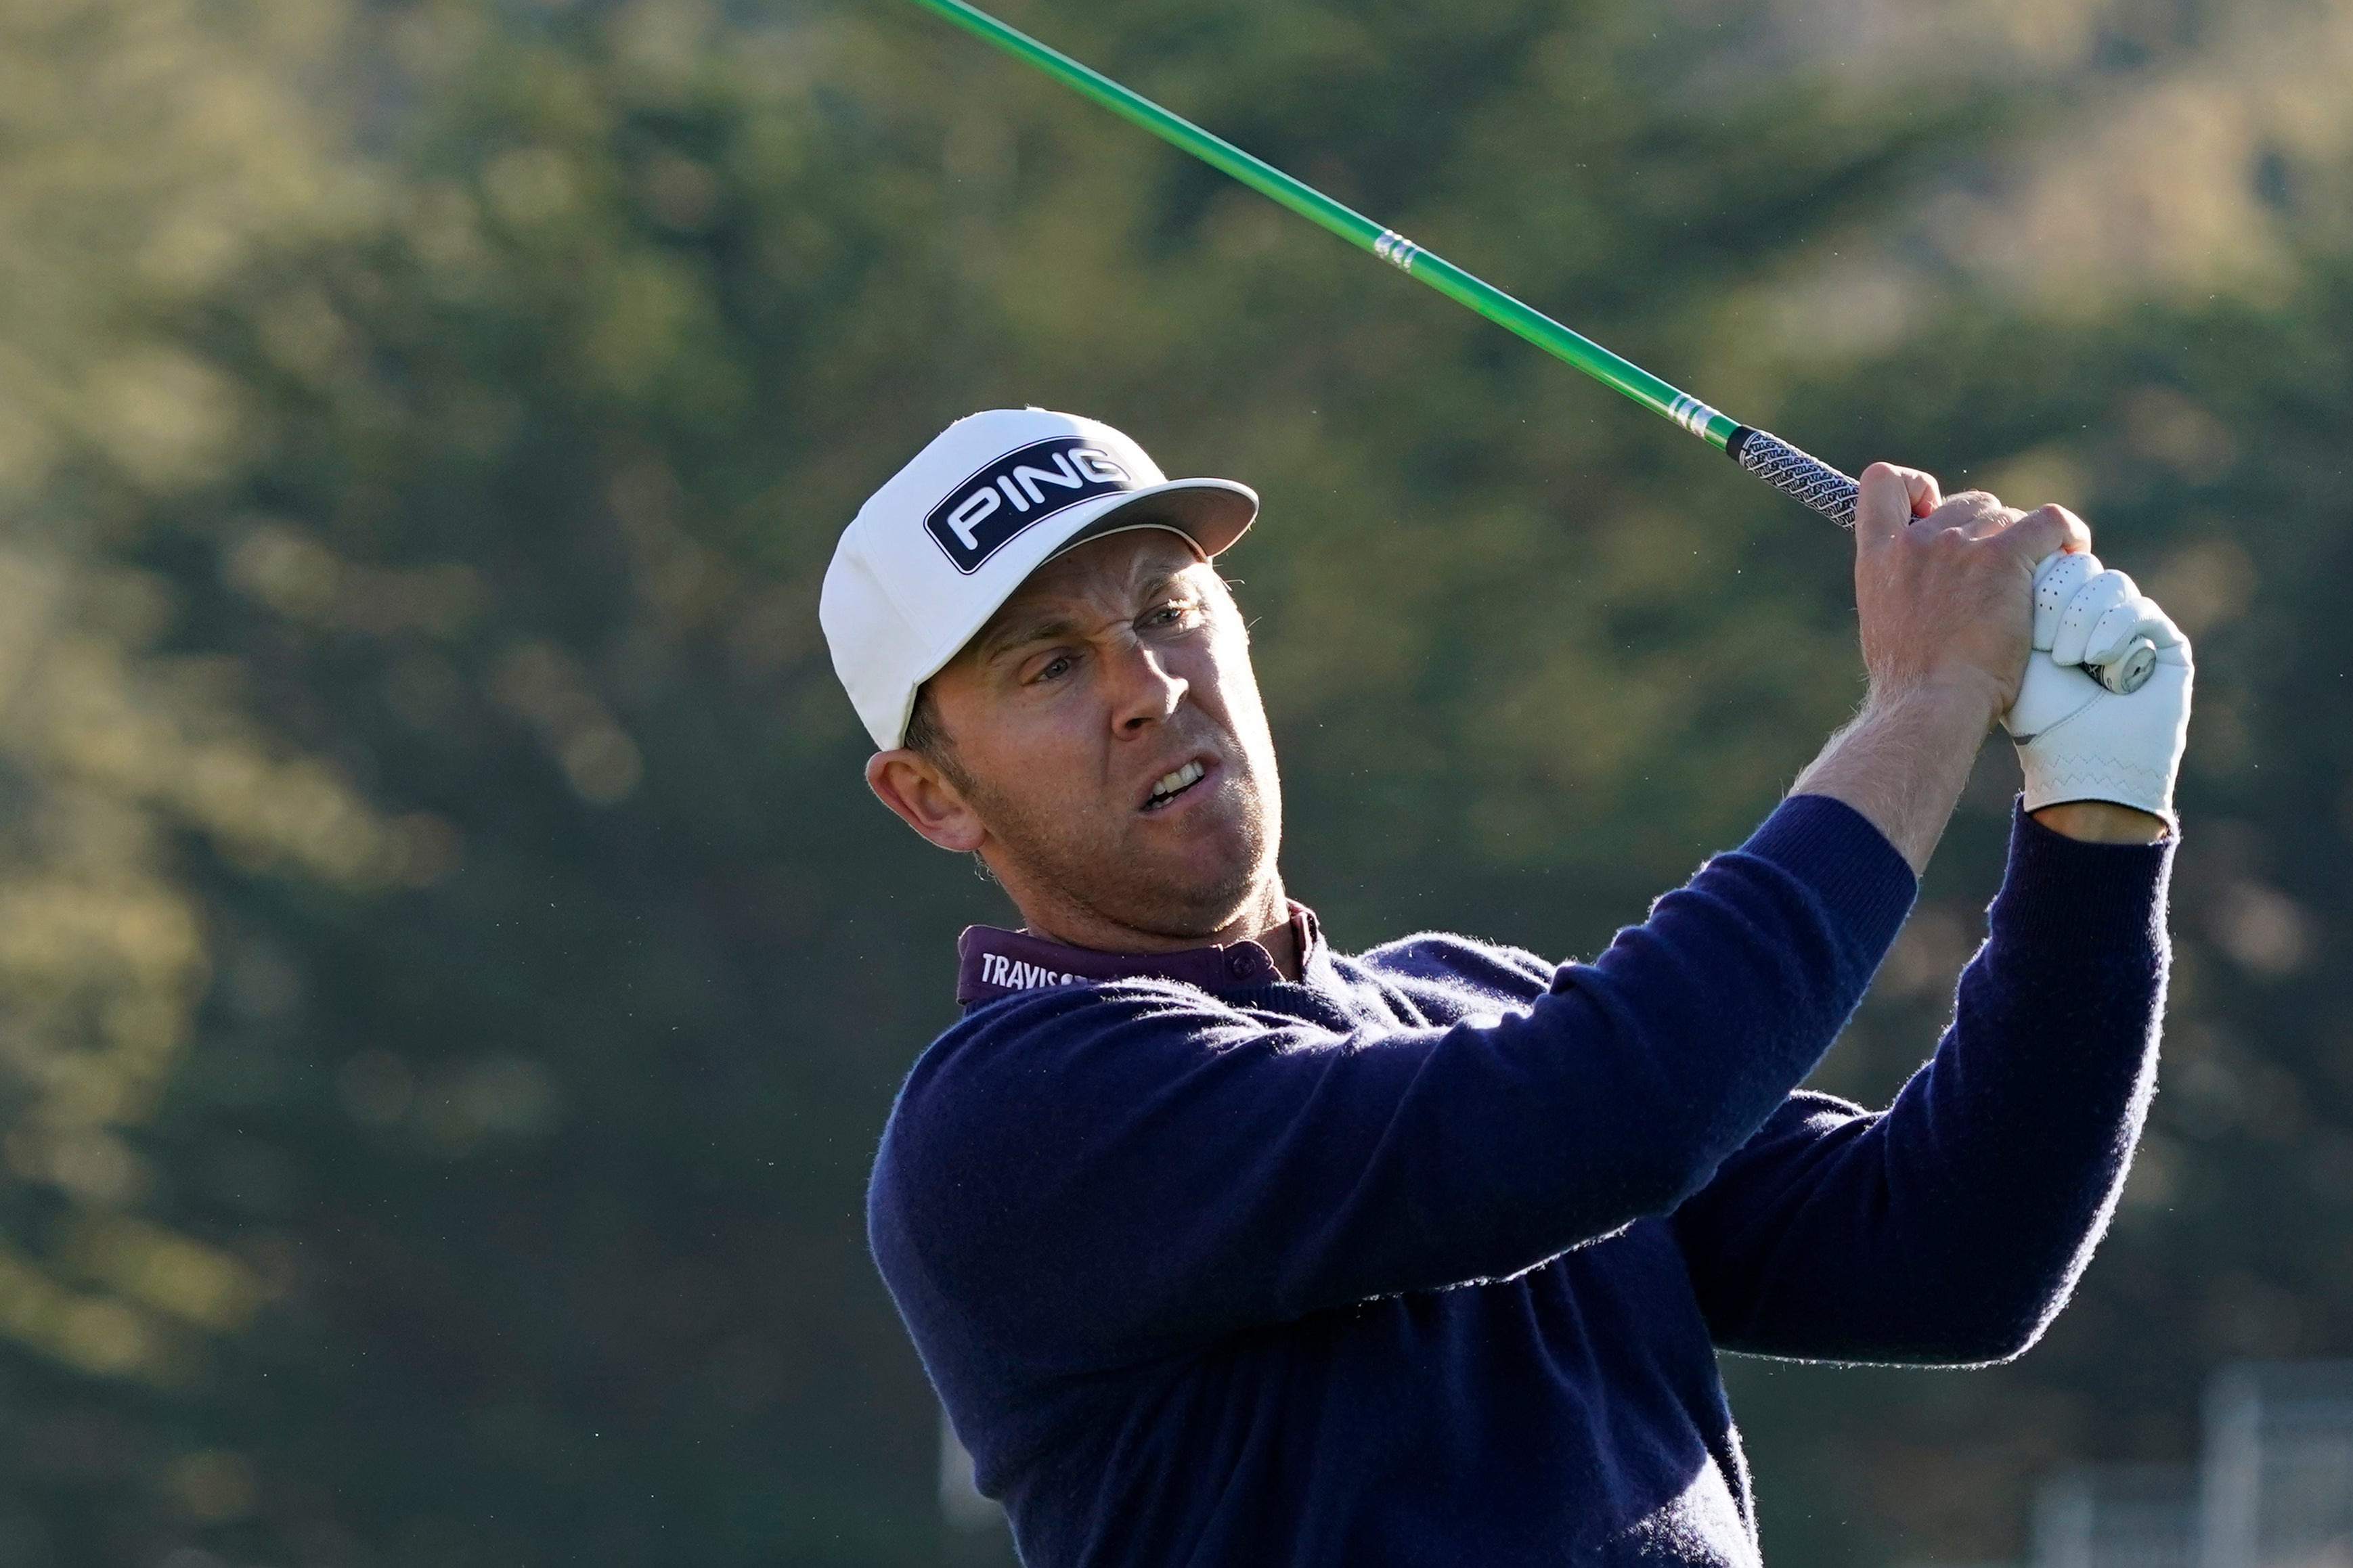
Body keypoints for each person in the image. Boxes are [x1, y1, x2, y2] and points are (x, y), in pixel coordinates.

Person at [822, 406, 2191, 1567]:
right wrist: (1922, 699)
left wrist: (2093, 826)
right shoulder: (1012, 1118)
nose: (1144, 685)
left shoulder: (1463, 1005)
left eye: (1166, 609)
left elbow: (1952, 1261)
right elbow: (1613, 1109)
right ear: (932, 796)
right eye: (1050, 663)